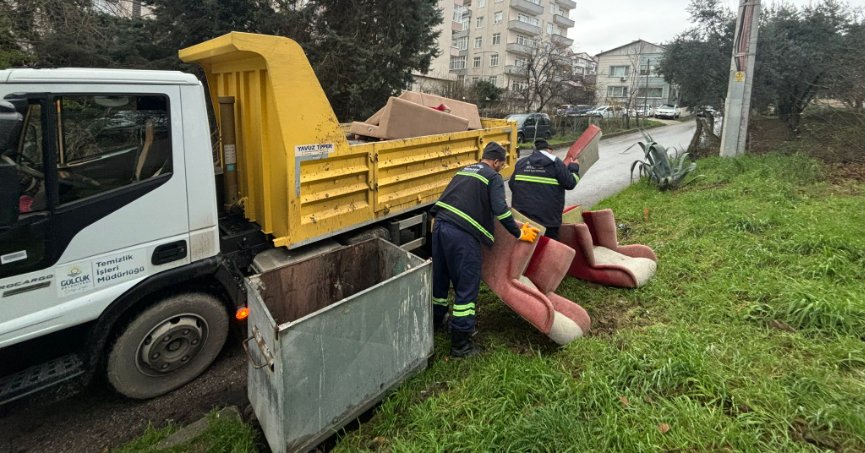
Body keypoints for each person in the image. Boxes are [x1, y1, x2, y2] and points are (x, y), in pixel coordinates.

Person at [429, 141, 540, 358]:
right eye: (501, 164)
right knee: (466, 285)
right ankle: (461, 345)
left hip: (439, 227)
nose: (500, 168)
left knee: (440, 281)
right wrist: (518, 233)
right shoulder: (492, 177)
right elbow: (501, 209)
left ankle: (435, 322)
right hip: (462, 234)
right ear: (496, 161)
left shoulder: (464, 171)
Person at [508, 139, 580, 241]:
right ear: (549, 150)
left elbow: (512, 185)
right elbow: (571, 183)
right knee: (548, 250)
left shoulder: (521, 163)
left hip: (523, 220)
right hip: (549, 222)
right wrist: (574, 167)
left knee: (526, 251)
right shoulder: (555, 163)